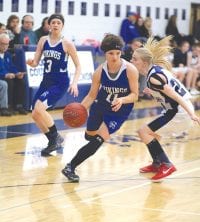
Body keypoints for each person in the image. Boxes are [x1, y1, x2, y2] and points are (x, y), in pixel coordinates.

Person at [62, 34, 138, 182]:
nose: (115, 57)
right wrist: (78, 111)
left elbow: (135, 95)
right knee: (89, 137)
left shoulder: (130, 70)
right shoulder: (99, 72)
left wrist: (122, 99)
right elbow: (91, 96)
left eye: (117, 53)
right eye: (111, 53)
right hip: (100, 105)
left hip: (118, 111)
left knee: (98, 140)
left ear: (121, 52)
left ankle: (70, 166)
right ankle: (92, 142)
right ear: (105, 54)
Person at [131, 35, 200, 182]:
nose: (131, 61)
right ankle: (157, 163)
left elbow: (175, 95)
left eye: (134, 59)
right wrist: (153, 92)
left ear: (143, 62)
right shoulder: (155, 70)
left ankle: (166, 164)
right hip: (176, 110)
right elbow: (170, 86)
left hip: (180, 112)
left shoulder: (154, 77)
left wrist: (191, 114)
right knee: (150, 134)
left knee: (144, 132)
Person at [26, 14, 81, 156]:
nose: (55, 25)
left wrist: (74, 83)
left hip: (60, 82)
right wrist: (31, 63)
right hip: (46, 81)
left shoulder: (67, 43)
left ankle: (56, 137)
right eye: (53, 22)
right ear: (49, 25)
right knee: (35, 114)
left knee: (40, 108)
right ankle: (53, 141)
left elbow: (78, 66)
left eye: (58, 23)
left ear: (62, 25)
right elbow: (36, 62)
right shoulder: (43, 40)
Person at [0, 33, 27, 114]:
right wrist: (5, 75)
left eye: (7, 44)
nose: (5, 46)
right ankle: (8, 106)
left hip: (7, 76)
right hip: (2, 77)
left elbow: (12, 67)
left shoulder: (7, 55)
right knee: (9, 82)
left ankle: (18, 105)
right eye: (2, 44)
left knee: (20, 81)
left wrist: (17, 73)